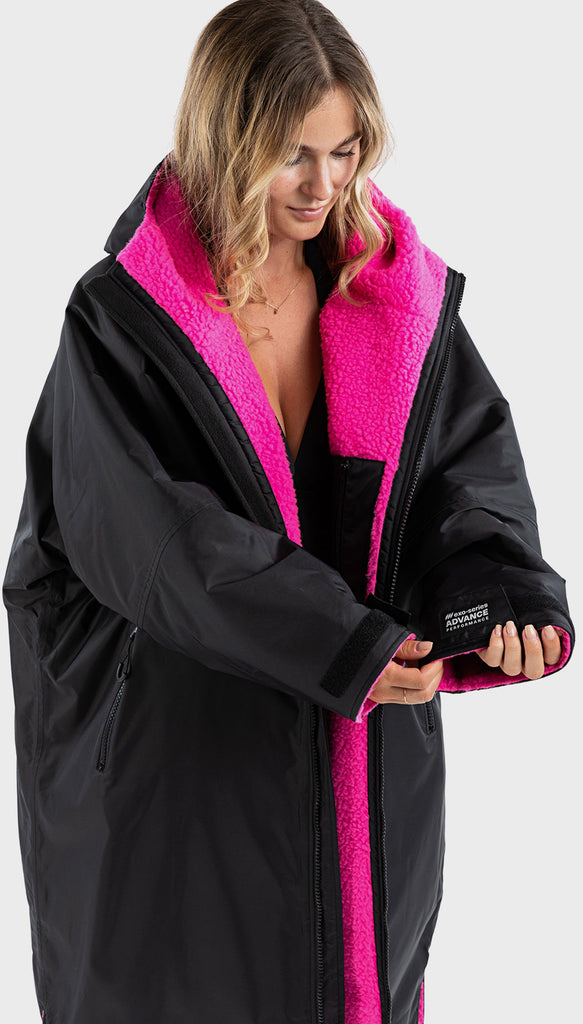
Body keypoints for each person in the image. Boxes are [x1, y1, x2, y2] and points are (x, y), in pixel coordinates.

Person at [3, 1, 574, 1022]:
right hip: (176, 778)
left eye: (345, 152)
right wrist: (344, 645)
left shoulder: (393, 304)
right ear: (226, 140)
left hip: (365, 775)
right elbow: (156, 543)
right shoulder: (122, 324)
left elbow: (462, 478)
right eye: (291, 156)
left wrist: (496, 599)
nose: (324, 185)